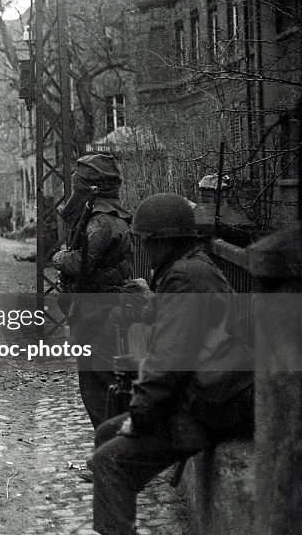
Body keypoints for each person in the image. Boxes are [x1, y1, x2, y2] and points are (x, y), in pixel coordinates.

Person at [91, 193, 253, 535]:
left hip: (211, 404)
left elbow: (170, 361)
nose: (144, 251)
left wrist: (140, 416)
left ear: (165, 242)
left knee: (109, 462)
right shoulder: (192, 268)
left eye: (148, 243)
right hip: (213, 394)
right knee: (106, 434)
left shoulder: (185, 278)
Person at [51, 154, 134, 430]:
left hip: (100, 314)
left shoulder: (101, 221)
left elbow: (83, 264)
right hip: (103, 310)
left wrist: (60, 258)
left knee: (99, 388)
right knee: (104, 386)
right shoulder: (109, 215)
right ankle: (110, 453)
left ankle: (109, 457)